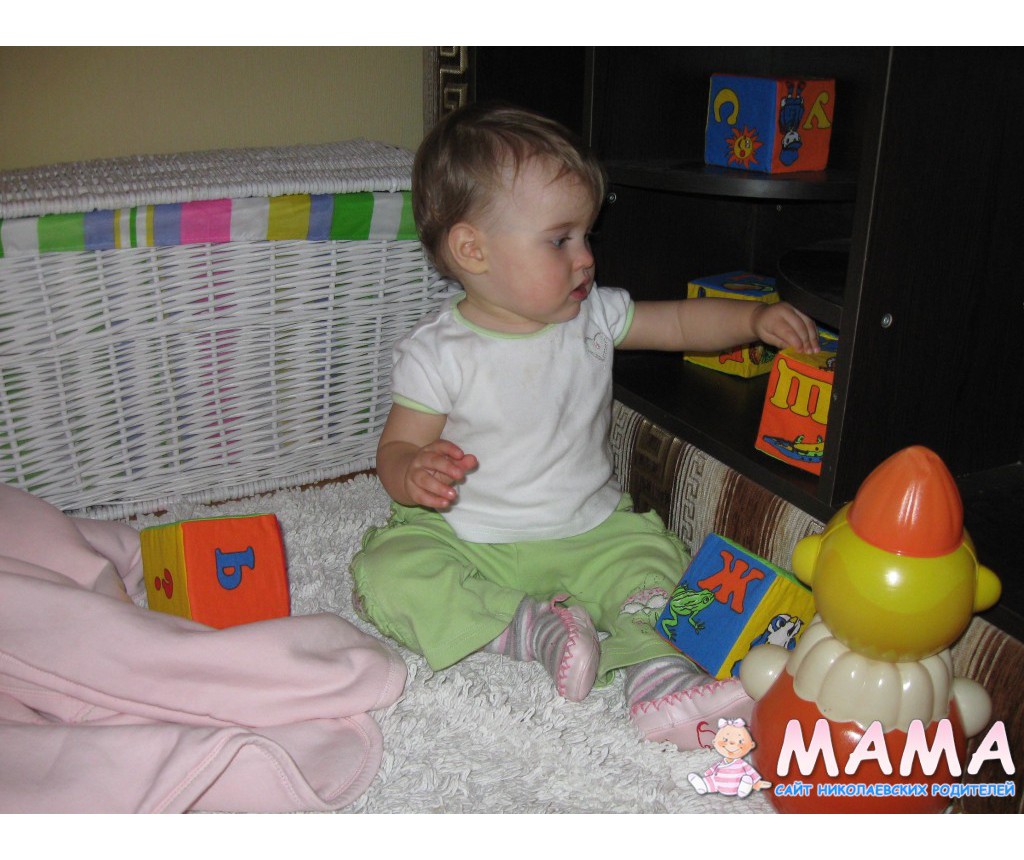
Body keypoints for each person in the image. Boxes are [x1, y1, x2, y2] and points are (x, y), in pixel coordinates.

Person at [350, 102, 819, 750]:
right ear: (472, 249)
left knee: (660, 568)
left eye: (586, 236)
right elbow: (397, 448)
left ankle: (657, 679)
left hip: (590, 530)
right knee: (388, 570)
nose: (587, 259)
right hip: (470, 536)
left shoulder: (593, 316)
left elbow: (678, 322)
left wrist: (752, 320)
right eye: (560, 240)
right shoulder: (439, 353)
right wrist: (413, 471)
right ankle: (525, 628)